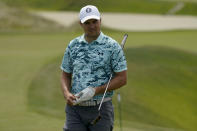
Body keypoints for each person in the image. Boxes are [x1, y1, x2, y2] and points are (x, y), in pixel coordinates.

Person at [60, 5, 127, 131]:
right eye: (87, 23)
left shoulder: (112, 46)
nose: (92, 26)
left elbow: (122, 78)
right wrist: (66, 93)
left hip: (101, 108)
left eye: (94, 21)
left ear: (100, 20)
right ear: (81, 23)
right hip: (75, 109)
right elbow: (65, 74)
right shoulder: (73, 45)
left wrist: (96, 90)